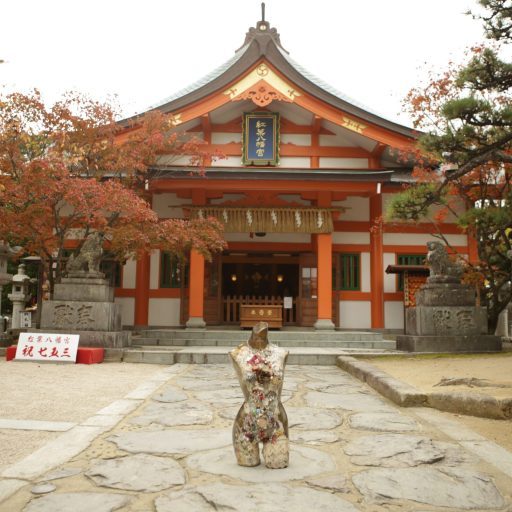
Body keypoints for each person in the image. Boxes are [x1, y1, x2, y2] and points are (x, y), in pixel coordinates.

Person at [230, 321, 289, 469]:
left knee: (278, 464)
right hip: (246, 425)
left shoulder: (281, 353)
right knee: (248, 464)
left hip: (276, 424)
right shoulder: (237, 353)